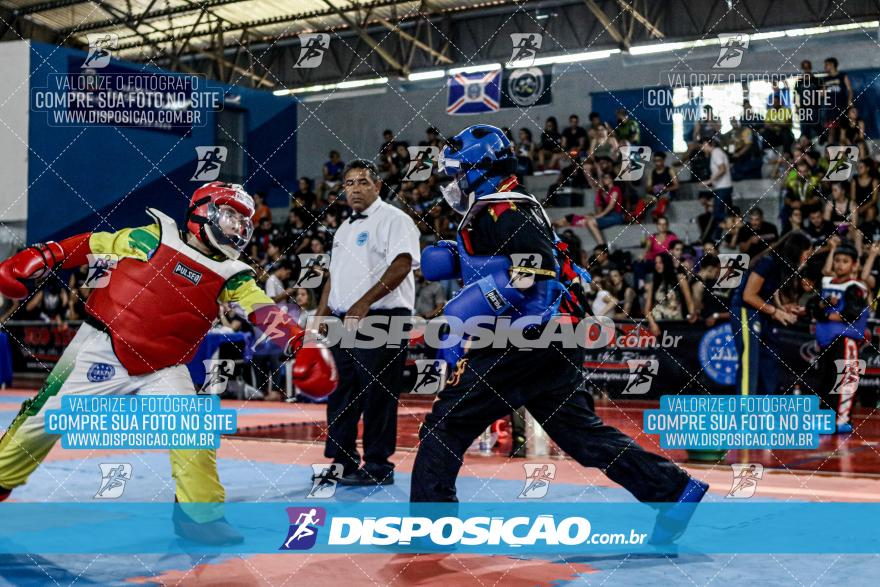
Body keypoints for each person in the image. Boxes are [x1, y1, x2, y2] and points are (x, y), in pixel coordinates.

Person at [413, 124, 707, 544]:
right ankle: (672, 490)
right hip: (554, 337)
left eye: (459, 172)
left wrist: (461, 313)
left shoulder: (505, 209)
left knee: (446, 425)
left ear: (480, 168)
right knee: (582, 434)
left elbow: (532, 273)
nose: (453, 182)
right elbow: (514, 265)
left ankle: (428, 530)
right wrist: (460, 260)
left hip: (522, 338)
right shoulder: (508, 207)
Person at [0, 182, 336, 544]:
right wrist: (46, 254)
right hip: (101, 345)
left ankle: (199, 517)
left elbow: (262, 308)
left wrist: (301, 342)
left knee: (192, 431)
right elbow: (93, 244)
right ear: (203, 212)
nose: (238, 229)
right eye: (230, 217)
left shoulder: (232, 273)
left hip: (164, 366)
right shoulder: (153, 237)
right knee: (41, 421)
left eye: (243, 223)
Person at [315, 160, 421, 487]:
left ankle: (378, 466)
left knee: (378, 392)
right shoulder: (344, 227)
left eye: (362, 182)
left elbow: (402, 264)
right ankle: (343, 461)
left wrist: (364, 302)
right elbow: (336, 273)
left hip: (382, 317)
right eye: (349, 183)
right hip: (342, 318)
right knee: (342, 390)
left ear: (377, 185)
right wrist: (322, 312)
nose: (355, 189)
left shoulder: (395, 219)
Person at [730, 231, 813, 395]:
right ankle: (745, 409)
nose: (808, 257)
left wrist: (784, 308)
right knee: (750, 362)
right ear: (797, 250)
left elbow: (770, 294)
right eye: (807, 253)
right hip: (746, 312)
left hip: (761, 313)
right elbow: (749, 295)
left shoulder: (781, 266)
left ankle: (764, 403)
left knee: (769, 358)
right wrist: (775, 311)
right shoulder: (768, 262)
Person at [810, 243, 868, 433]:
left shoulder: (856, 287)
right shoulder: (826, 283)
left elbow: (850, 314)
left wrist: (825, 313)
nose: (839, 265)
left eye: (845, 261)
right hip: (825, 342)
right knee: (825, 381)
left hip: (845, 340)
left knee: (843, 379)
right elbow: (813, 308)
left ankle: (842, 420)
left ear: (853, 265)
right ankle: (827, 418)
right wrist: (823, 309)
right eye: (837, 260)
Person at [644, 253, 696, 336]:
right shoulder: (653, 284)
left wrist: (692, 313)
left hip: (677, 323)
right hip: (659, 323)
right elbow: (647, 309)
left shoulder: (680, 278)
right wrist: (652, 324)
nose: (657, 265)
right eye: (656, 263)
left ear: (667, 263)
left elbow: (689, 301)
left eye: (660, 263)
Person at [702, 138, 733, 238]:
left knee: (718, 214)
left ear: (707, 144)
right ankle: (717, 237)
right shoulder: (715, 153)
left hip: (723, 188)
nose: (702, 149)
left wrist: (709, 181)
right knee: (721, 215)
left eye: (703, 146)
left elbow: (722, 169)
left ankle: (736, 221)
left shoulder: (716, 152)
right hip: (722, 187)